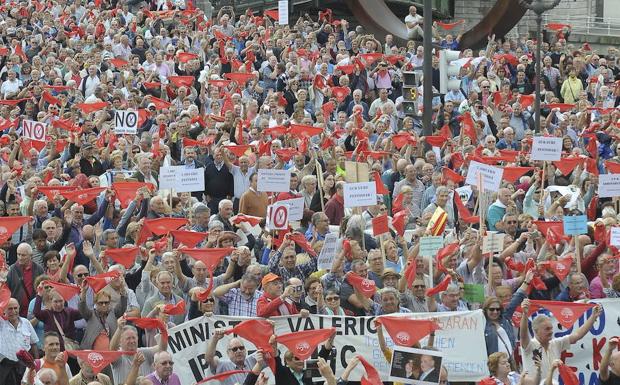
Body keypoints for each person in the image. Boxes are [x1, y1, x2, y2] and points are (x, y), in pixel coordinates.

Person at [519, 299, 603, 379]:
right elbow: (523, 334)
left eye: (551, 328)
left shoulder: (556, 343)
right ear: (536, 331)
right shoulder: (529, 346)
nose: (551, 331)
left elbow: (577, 335)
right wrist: (525, 314)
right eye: (547, 329)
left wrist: (593, 317)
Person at [0, 298, 39, 384]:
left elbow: (33, 344)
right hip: (6, 368)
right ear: (4, 310)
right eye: (10, 308)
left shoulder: (26, 323)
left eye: (15, 308)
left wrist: (37, 362)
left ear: (19, 308)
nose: (13, 311)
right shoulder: (1, 323)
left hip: (25, 366)